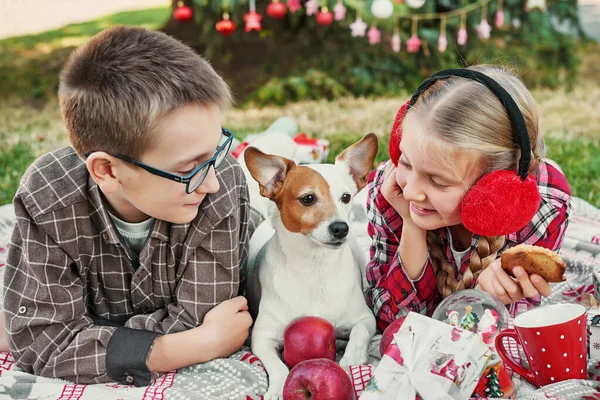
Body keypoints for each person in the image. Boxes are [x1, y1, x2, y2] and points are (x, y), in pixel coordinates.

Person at [2, 25, 261, 386]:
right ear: (107, 170)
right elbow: (42, 346)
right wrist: (188, 346)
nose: (212, 181)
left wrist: (85, 333)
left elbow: (202, 317)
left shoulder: (221, 186)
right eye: (188, 169)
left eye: (216, 151)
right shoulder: (49, 196)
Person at [365, 65, 572, 331]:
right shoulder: (390, 188)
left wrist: (492, 300)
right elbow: (391, 321)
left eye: (438, 181)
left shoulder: (540, 206)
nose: (411, 191)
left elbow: (504, 336)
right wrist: (411, 224)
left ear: (496, 187)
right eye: (406, 162)